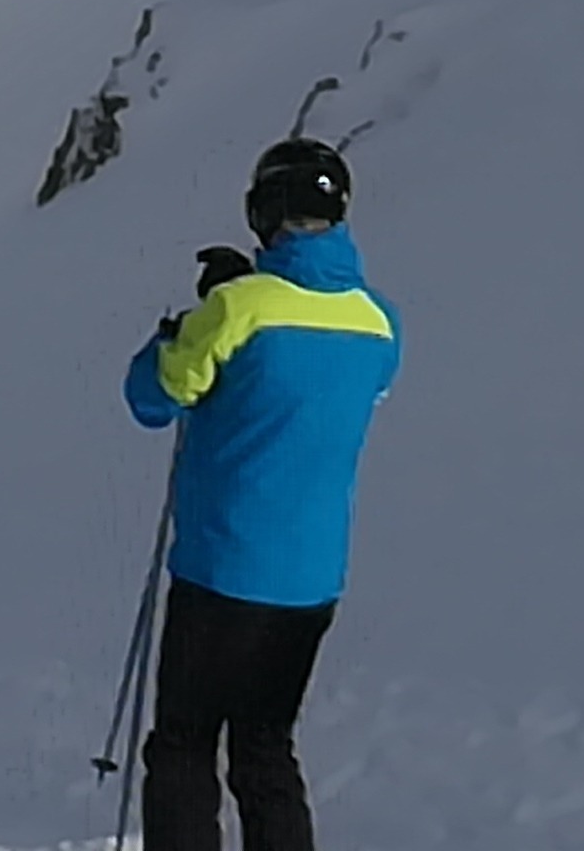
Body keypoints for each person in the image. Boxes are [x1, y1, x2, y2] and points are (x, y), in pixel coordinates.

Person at [121, 137, 402, 851]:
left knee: (184, 744)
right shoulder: (378, 322)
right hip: (310, 582)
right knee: (266, 750)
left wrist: (195, 319)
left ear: (265, 209)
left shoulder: (240, 309)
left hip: (222, 569)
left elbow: (154, 397)